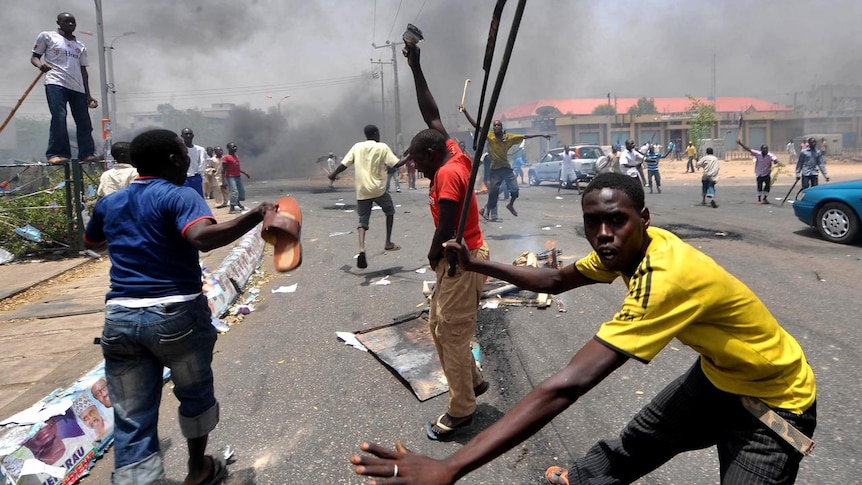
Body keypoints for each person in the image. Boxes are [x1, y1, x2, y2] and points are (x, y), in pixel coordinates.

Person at [352, 172, 817, 485]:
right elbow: (554, 278)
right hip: (719, 377)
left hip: (774, 404)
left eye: (617, 220)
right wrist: (477, 262)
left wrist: (450, 467)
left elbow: (567, 385)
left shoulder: (666, 277)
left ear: (644, 219)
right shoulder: (628, 250)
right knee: (637, 442)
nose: (603, 233)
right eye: (593, 222)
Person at [84, 129, 274, 485]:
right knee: (194, 394)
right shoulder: (181, 196)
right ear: (175, 160)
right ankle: (198, 469)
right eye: (185, 155)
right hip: (177, 316)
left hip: (121, 317)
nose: (188, 160)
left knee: (132, 415)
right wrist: (255, 215)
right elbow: (201, 238)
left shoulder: (111, 203)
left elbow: (91, 239)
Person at [402, 42, 490, 441]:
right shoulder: (450, 153)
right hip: (462, 257)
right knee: (441, 328)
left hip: (461, 257)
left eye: (418, 160)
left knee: (450, 334)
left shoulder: (447, 175)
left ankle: (462, 410)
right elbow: (431, 113)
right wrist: (416, 67)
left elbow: (449, 226)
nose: (415, 168)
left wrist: (433, 255)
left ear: (433, 154)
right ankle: (473, 382)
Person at [328, 125, 403, 269]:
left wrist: (333, 174)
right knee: (389, 211)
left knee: (362, 222)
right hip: (378, 189)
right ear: (376, 134)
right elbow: (397, 163)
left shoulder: (357, 147)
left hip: (362, 190)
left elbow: (344, 164)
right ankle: (388, 242)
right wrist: (411, 154)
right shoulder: (381, 147)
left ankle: (361, 248)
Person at [31, 12, 99, 165]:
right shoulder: (47, 37)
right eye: (66, 21)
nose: (70, 24)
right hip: (56, 82)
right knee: (59, 116)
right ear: (58, 22)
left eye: (72, 22)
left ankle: (87, 153)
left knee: (84, 121)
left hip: (77, 87)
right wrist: (40, 65)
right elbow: (35, 57)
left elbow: (83, 71)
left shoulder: (80, 46)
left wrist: (88, 95)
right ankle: (57, 154)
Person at [460, 108, 549, 221]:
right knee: (493, 194)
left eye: (498, 125)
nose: (496, 127)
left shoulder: (509, 138)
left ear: (501, 127)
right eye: (494, 125)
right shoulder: (490, 136)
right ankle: (487, 211)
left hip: (506, 169)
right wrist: (465, 111)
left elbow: (525, 136)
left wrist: (542, 135)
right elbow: (476, 125)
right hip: (495, 171)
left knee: (515, 191)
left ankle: (510, 205)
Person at [737, 140, 780, 204]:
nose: (765, 151)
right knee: (759, 186)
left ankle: (765, 198)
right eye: (764, 150)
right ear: (761, 150)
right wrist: (741, 144)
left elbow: (775, 159)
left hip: (767, 173)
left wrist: (776, 162)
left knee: (768, 186)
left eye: (766, 150)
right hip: (759, 173)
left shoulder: (770, 155)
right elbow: (748, 149)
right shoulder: (757, 154)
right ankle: (759, 200)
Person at [223, 142, 251, 213]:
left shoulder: (236, 156)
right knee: (234, 191)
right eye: (233, 147)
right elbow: (223, 169)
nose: (235, 148)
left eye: (235, 146)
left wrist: (245, 173)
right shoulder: (226, 157)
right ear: (228, 148)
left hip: (238, 176)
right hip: (230, 177)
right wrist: (223, 180)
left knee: (242, 192)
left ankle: (237, 203)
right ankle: (232, 208)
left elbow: (237, 168)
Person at [180, 128, 207, 198]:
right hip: (183, 178)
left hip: (196, 177)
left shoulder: (200, 150)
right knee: (186, 198)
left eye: (190, 134)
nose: (188, 136)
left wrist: (199, 174)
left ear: (193, 136)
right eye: (186, 134)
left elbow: (202, 163)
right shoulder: (178, 149)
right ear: (182, 136)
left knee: (198, 198)